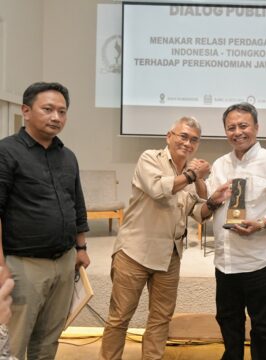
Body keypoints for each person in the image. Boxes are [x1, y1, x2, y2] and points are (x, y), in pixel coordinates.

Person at [100, 116, 229, 360]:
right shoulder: (150, 158)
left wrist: (213, 201)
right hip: (134, 252)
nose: (187, 143)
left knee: (160, 320)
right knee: (119, 318)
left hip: (170, 257)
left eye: (194, 140)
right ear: (169, 136)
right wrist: (194, 175)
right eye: (183, 136)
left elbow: (199, 215)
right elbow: (159, 190)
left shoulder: (190, 174)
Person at [0, 82, 90, 359]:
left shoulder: (67, 156)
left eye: (62, 112)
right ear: (26, 111)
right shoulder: (7, 152)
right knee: (14, 343)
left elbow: (77, 204)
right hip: (23, 265)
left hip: (64, 262)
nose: (56, 117)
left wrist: (82, 248)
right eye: (48, 109)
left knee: (49, 342)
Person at [206, 102, 266, 360]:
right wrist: (212, 198)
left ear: (256, 127)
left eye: (243, 125)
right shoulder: (219, 164)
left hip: (259, 259)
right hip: (225, 260)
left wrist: (261, 223)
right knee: (227, 319)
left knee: (262, 323)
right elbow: (210, 205)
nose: (238, 132)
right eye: (231, 127)